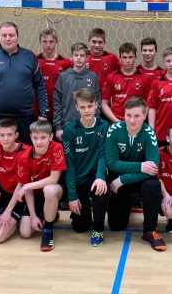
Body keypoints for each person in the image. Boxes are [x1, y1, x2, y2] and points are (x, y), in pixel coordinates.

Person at [105, 97, 165, 251]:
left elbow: (152, 169)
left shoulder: (149, 134)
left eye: (137, 116)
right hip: (117, 177)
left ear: (144, 116)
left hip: (130, 179)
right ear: (123, 114)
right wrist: (140, 166)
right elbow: (112, 164)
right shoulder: (114, 130)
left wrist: (123, 179)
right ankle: (130, 200)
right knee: (116, 225)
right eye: (128, 115)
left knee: (153, 185)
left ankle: (150, 230)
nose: (132, 120)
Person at [0, 22, 48, 145]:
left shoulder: (29, 56)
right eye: (4, 35)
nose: (8, 39)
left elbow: (40, 86)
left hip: (25, 117)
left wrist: (43, 114)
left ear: (17, 36)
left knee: (25, 157)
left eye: (11, 35)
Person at [62, 88, 111, 246]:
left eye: (90, 106)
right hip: (77, 179)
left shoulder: (104, 126)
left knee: (102, 190)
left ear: (96, 105)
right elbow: (69, 165)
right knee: (80, 227)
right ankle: (79, 214)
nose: (87, 110)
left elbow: (103, 154)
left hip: (93, 176)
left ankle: (98, 228)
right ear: (76, 108)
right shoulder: (70, 130)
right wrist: (72, 196)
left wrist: (100, 177)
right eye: (82, 107)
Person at [16, 121, 67, 251]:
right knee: (25, 233)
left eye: (43, 138)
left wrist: (27, 186)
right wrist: (33, 217)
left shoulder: (56, 148)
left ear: (50, 137)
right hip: (36, 194)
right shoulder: (23, 157)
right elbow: (29, 191)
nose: (39, 142)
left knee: (49, 189)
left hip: (57, 189)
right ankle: (49, 214)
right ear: (30, 137)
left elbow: (54, 179)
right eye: (35, 138)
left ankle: (48, 231)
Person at [53, 42, 101, 141]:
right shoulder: (64, 77)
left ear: (87, 57)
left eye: (82, 55)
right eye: (76, 55)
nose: (79, 58)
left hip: (89, 124)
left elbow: (98, 102)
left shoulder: (92, 76)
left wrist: (96, 123)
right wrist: (58, 126)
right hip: (68, 125)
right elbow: (57, 103)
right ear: (71, 56)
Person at [101, 42, 154, 123]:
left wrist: (140, 119)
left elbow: (149, 104)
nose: (128, 61)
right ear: (120, 58)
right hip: (117, 122)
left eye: (130, 57)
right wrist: (116, 121)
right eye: (124, 57)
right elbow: (104, 104)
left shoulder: (145, 78)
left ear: (135, 57)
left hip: (138, 122)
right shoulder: (111, 77)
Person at [34, 28, 72, 132]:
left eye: (51, 41)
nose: (48, 45)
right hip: (38, 111)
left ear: (57, 43)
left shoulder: (66, 63)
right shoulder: (34, 60)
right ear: (40, 42)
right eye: (45, 41)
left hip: (59, 111)